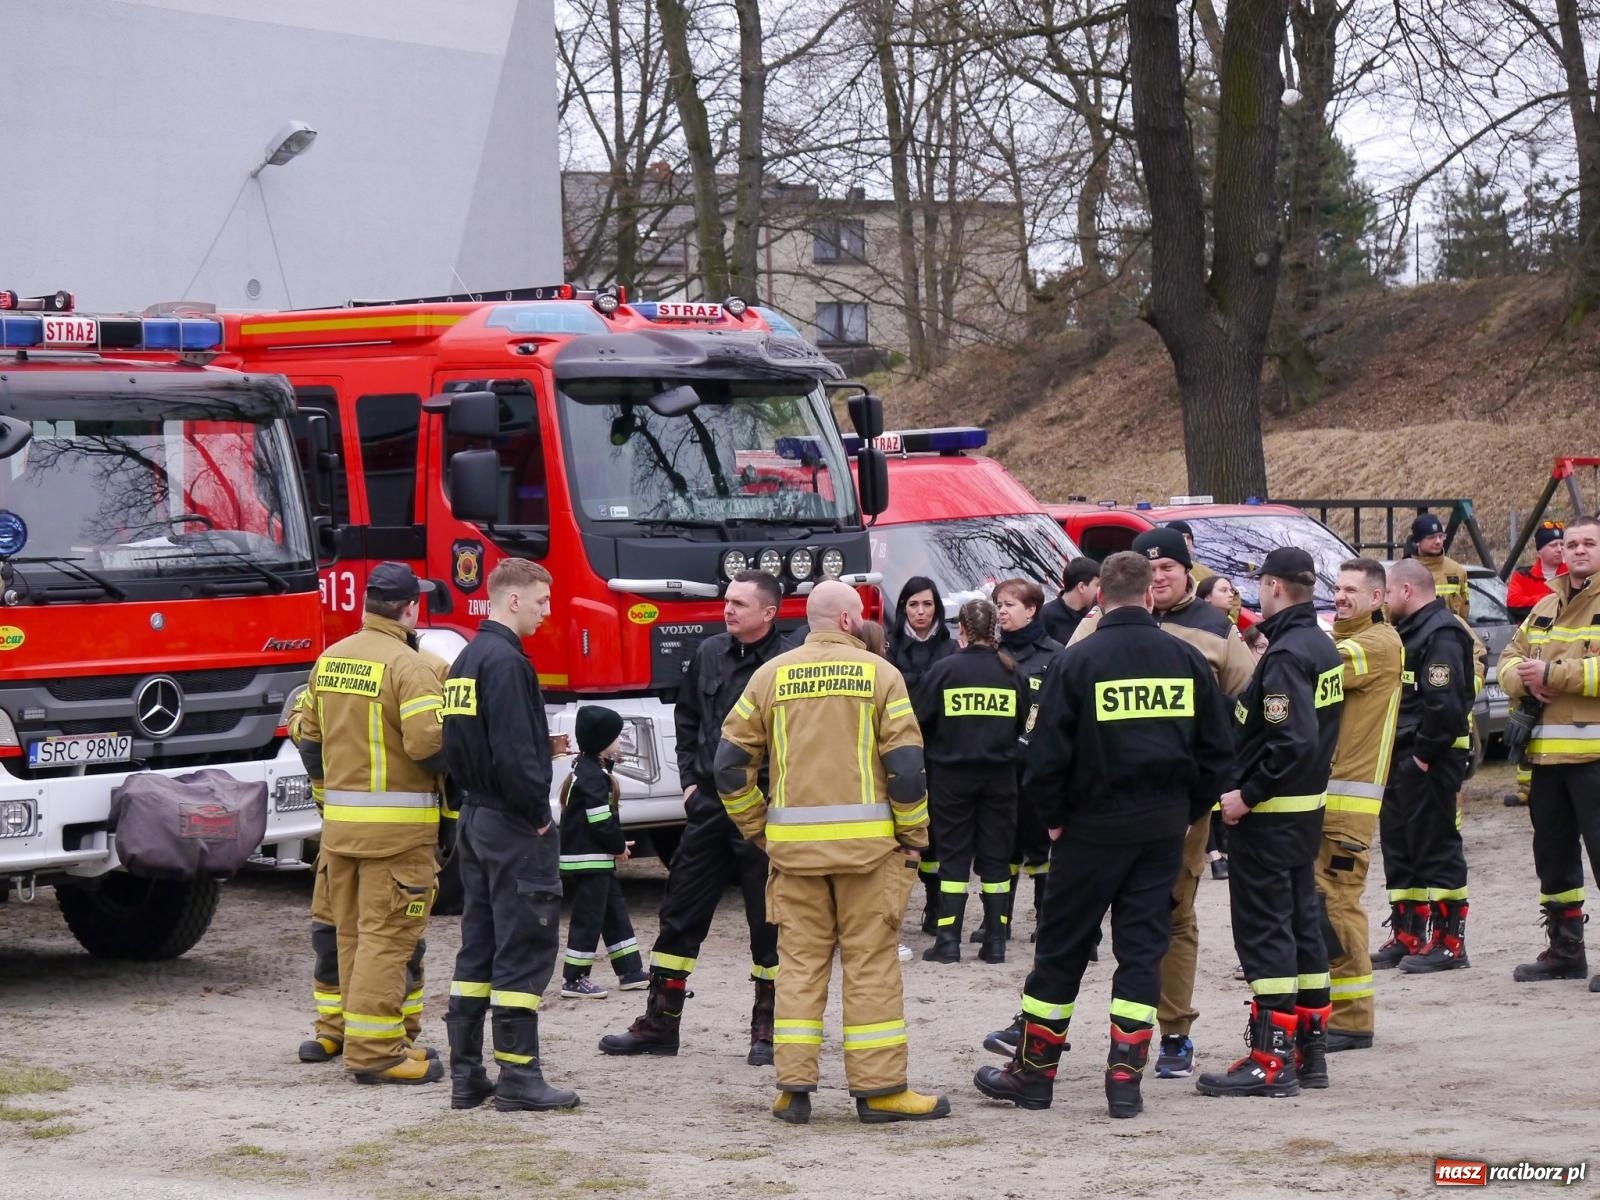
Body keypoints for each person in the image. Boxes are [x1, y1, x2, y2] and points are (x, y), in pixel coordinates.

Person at [973, 552, 1234, 1119]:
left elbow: (1043, 757)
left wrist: (1055, 817)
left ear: (1098, 598)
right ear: (1147, 595)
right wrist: (1185, 811)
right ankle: (1125, 1081)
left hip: (1089, 828)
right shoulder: (1185, 659)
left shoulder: (1077, 661)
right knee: (1142, 951)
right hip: (1161, 829)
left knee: (1062, 950)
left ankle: (1034, 1075)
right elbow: (1218, 753)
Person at [718, 579, 950, 1126]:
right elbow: (908, 770)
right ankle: (881, 1091)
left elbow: (728, 766)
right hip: (870, 856)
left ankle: (792, 1089)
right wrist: (914, 837)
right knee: (870, 967)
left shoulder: (769, 675)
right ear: (849, 621)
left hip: (793, 857)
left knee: (798, 967)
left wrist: (759, 829)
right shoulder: (882, 675)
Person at [1054, 528, 1255, 1081]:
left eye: (1170, 566)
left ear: (1188, 573)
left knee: (1170, 917)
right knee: (1072, 922)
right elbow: (1059, 704)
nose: (1160, 574)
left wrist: (1208, 792)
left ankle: (1173, 1034)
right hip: (1099, 805)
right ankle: (1043, 1033)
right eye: (1151, 567)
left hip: (1177, 809)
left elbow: (1250, 709)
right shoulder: (1094, 625)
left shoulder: (1216, 631)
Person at [599, 571, 786, 1064]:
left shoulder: (786, 664)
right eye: (727, 601)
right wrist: (688, 782)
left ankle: (766, 1029)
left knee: (768, 921)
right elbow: (686, 718)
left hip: (762, 810)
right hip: (707, 808)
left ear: (768, 614)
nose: (728, 610)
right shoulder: (708, 653)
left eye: (740, 604)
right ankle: (661, 1022)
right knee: (679, 913)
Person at [1196, 547, 1343, 1099]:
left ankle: (1270, 1059)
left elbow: (1292, 741)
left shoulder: (1284, 656)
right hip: (1304, 813)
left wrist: (1246, 796)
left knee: (1265, 932)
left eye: (1260, 584)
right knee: (1303, 928)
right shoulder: (1320, 644)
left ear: (1275, 586)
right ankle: (1311, 1051)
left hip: (1271, 817)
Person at [293, 561, 448, 1086]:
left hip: (340, 834)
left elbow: (308, 739)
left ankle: (354, 1035)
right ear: (410, 608)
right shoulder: (411, 666)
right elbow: (429, 745)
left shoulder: (330, 660)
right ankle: (377, 1050)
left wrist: (325, 803)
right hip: (398, 837)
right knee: (389, 939)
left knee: (352, 938)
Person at [442, 558, 579, 1113]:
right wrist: (538, 814)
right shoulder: (507, 663)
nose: (548, 611)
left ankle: (466, 1074)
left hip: (475, 820)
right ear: (514, 600)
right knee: (523, 943)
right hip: (511, 822)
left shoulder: (465, 659)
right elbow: (517, 753)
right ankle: (520, 1078)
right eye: (543, 601)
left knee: (479, 945)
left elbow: (456, 743)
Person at [1501, 516, 1600, 985]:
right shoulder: (1543, 604)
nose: (1578, 551)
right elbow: (1507, 657)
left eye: (1589, 544)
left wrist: (1552, 676)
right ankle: (1566, 950)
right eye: (1571, 544)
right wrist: (1520, 679)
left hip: (1595, 759)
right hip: (1546, 759)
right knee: (1553, 858)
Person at [1372, 558, 1475, 977]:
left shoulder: (1442, 633)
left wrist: (1423, 755)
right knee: (1401, 847)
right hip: (1402, 755)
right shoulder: (1407, 631)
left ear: (1408, 592)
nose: (1385, 602)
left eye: (1389, 593)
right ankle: (1409, 933)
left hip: (1428, 757)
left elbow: (1445, 703)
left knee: (1435, 844)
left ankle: (1450, 941)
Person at [1317, 559, 1404, 1053]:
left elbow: (1320, 668)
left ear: (1379, 598)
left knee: (1337, 905)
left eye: (1352, 589)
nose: (1342, 595)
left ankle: (1352, 1018)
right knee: (1321, 902)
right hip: (1330, 797)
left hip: (1348, 806)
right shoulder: (1342, 638)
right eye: (1337, 587)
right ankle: (1337, 1010)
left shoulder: (1378, 643)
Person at [913, 598, 1028, 965]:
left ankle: (948, 940)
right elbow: (1023, 725)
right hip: (1000, 779)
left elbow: (922, 723)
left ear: (960, 630)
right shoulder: (1013, 673)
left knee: (953, 858)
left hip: (950, 778)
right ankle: (995, 941)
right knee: (996, 860)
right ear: (995, 628)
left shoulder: (943, 671)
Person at [981, 578, 1066, 944]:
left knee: (1040, 848)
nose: (1002, 611)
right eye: (999, 604)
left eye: (1010, 605)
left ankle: (1047, 918)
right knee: (1001, 848)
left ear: (1031, 610)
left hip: (1038, 768)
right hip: (998, 768)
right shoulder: (991, 654)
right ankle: (996, 920)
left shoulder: (1054, 655)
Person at [557, 705, 648, 999]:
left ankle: (630, 971)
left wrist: (614, 846)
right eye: (616, 738)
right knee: (588, 918)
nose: (620, 743)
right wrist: (617, 845)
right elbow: (599, 820)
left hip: (596, 860)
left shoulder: (588, 770)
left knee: (614, 914)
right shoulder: (593, 777)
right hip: (588, 860)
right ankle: (574, 978)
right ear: (601, 742)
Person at [889, 577, 957, 931]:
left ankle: (935, 905)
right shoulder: (889, 647)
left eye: (927, 605)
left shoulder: (950, 649)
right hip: (896, 751)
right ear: (902, 608)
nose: (920, 612)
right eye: (913, 605)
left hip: (938, 750)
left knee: (936, 832)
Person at [1168, 519, 1240, 623]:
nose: (1185, 542)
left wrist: (1226, 621)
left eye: (1188, 538)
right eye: (1180, 537)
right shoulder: (1158, 572)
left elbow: (1234, 594)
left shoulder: (1205, 573)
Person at [1408, 513, 1470, 621]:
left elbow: (1464, 612)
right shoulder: (1404, 572)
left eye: (1441, 536)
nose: (1438, 541)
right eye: (1431, 537)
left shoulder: (1457, 571)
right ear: (1418, 541)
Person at [1507, 520, 1567, 621]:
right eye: (1553, 545)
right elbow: (1514, 604)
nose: (1559, 549)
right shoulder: (1522, 575)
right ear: (1540, 550)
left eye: (1562, 544)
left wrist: (1535, 602)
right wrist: (1552, 599)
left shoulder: (1572, 573)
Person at [1040, 557, 1101, 644]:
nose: (1101, 590)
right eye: (1097, 585)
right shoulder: (1046, 615)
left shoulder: (1094, 614)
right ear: (1081, 587)